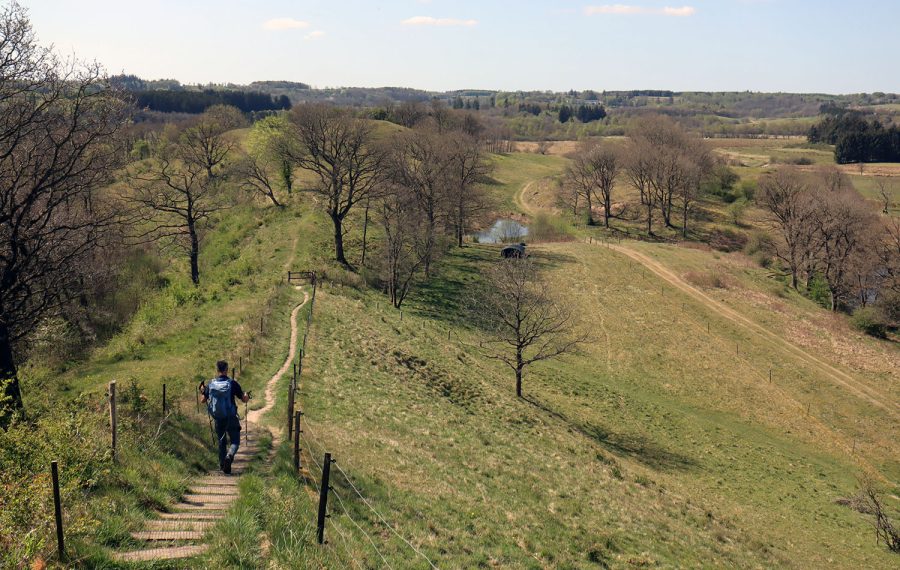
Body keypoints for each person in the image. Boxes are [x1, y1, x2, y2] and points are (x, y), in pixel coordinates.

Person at [199, 360, 250, 474]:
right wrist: (246, 395)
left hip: (218, 417)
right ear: (226, 370)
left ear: (217, 370)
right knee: (235, 441)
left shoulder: (211, 384)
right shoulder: (232, 383)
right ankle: (230, 455)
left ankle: (223, 465)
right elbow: (244, 399)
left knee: (221, 441)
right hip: (231, 416)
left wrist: (203, 391)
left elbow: (203, 400)